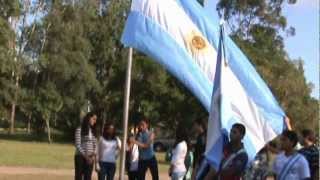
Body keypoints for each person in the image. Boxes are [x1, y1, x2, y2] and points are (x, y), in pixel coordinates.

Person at [74, 112, 97, 180]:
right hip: (80, 156)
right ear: (89, 118)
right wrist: (86, 156)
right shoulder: (79, 129)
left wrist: (93, 156)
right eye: (94, 119)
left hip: (90, 157)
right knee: (79, 176)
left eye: (96, 120)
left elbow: (95, 145)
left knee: (88, 177)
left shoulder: (93, 131)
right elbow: (77, 145)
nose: (95, 121)